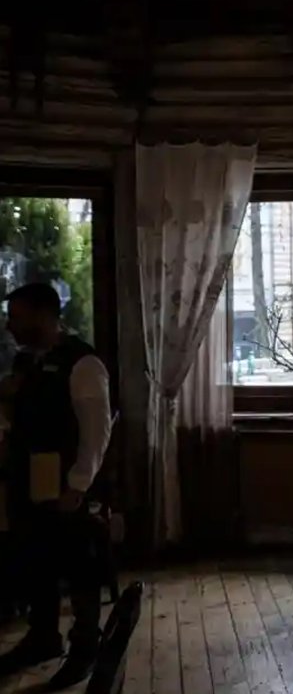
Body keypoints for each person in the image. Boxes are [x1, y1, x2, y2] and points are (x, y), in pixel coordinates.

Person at [0, 283, 113, 689]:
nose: (9, 325)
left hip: (68, 487)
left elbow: (97, 430)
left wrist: (79, 485)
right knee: (36, 561)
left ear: (43, 315)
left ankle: (85, 646)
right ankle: (43, 637)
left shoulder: (82, 363)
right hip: (30, 484)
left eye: (16, 316)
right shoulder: (25, 363)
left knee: (79, 565)